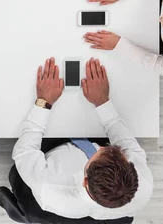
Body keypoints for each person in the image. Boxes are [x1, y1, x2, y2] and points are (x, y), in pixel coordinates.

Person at [12, 57, 153, 219]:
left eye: (98, 152)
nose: (102, 147)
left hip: (51, 150)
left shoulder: (48, 186)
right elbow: (126, 144)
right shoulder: (144, 186)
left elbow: (24, 151)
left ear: (85, 180)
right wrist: (102, 101)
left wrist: (44, 101)